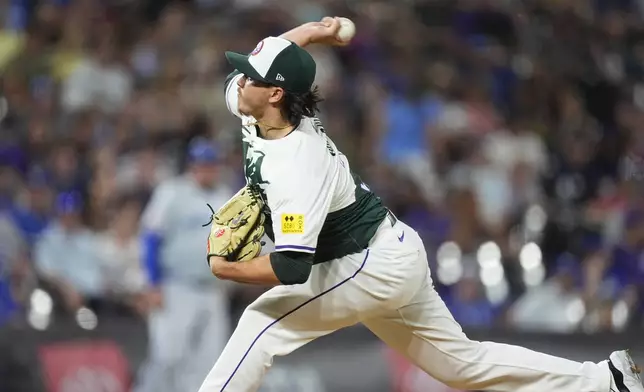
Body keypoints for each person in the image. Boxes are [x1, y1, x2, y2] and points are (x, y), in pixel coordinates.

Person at [198, 17, 643, 392]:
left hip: (365, 264)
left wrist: (230, 268)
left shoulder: (299, 163)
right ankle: (606, 380)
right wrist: (312, 31)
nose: (240, 82)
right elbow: (270, 63)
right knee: (460, 366)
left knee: (261, 323)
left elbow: (294, 266)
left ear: (275, 94)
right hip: (391, 251)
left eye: (251, 77)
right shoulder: (257, 103)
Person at [135, 138, 235, 392]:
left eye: (212, 164)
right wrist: (153, 283)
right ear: (192, 165)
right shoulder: (172, 192)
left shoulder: (225, 196)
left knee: (208, 361)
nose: (208, 169)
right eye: (202, 164)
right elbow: (150, 237)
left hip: (213, 290)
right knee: (167, 356)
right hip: (176, 286)